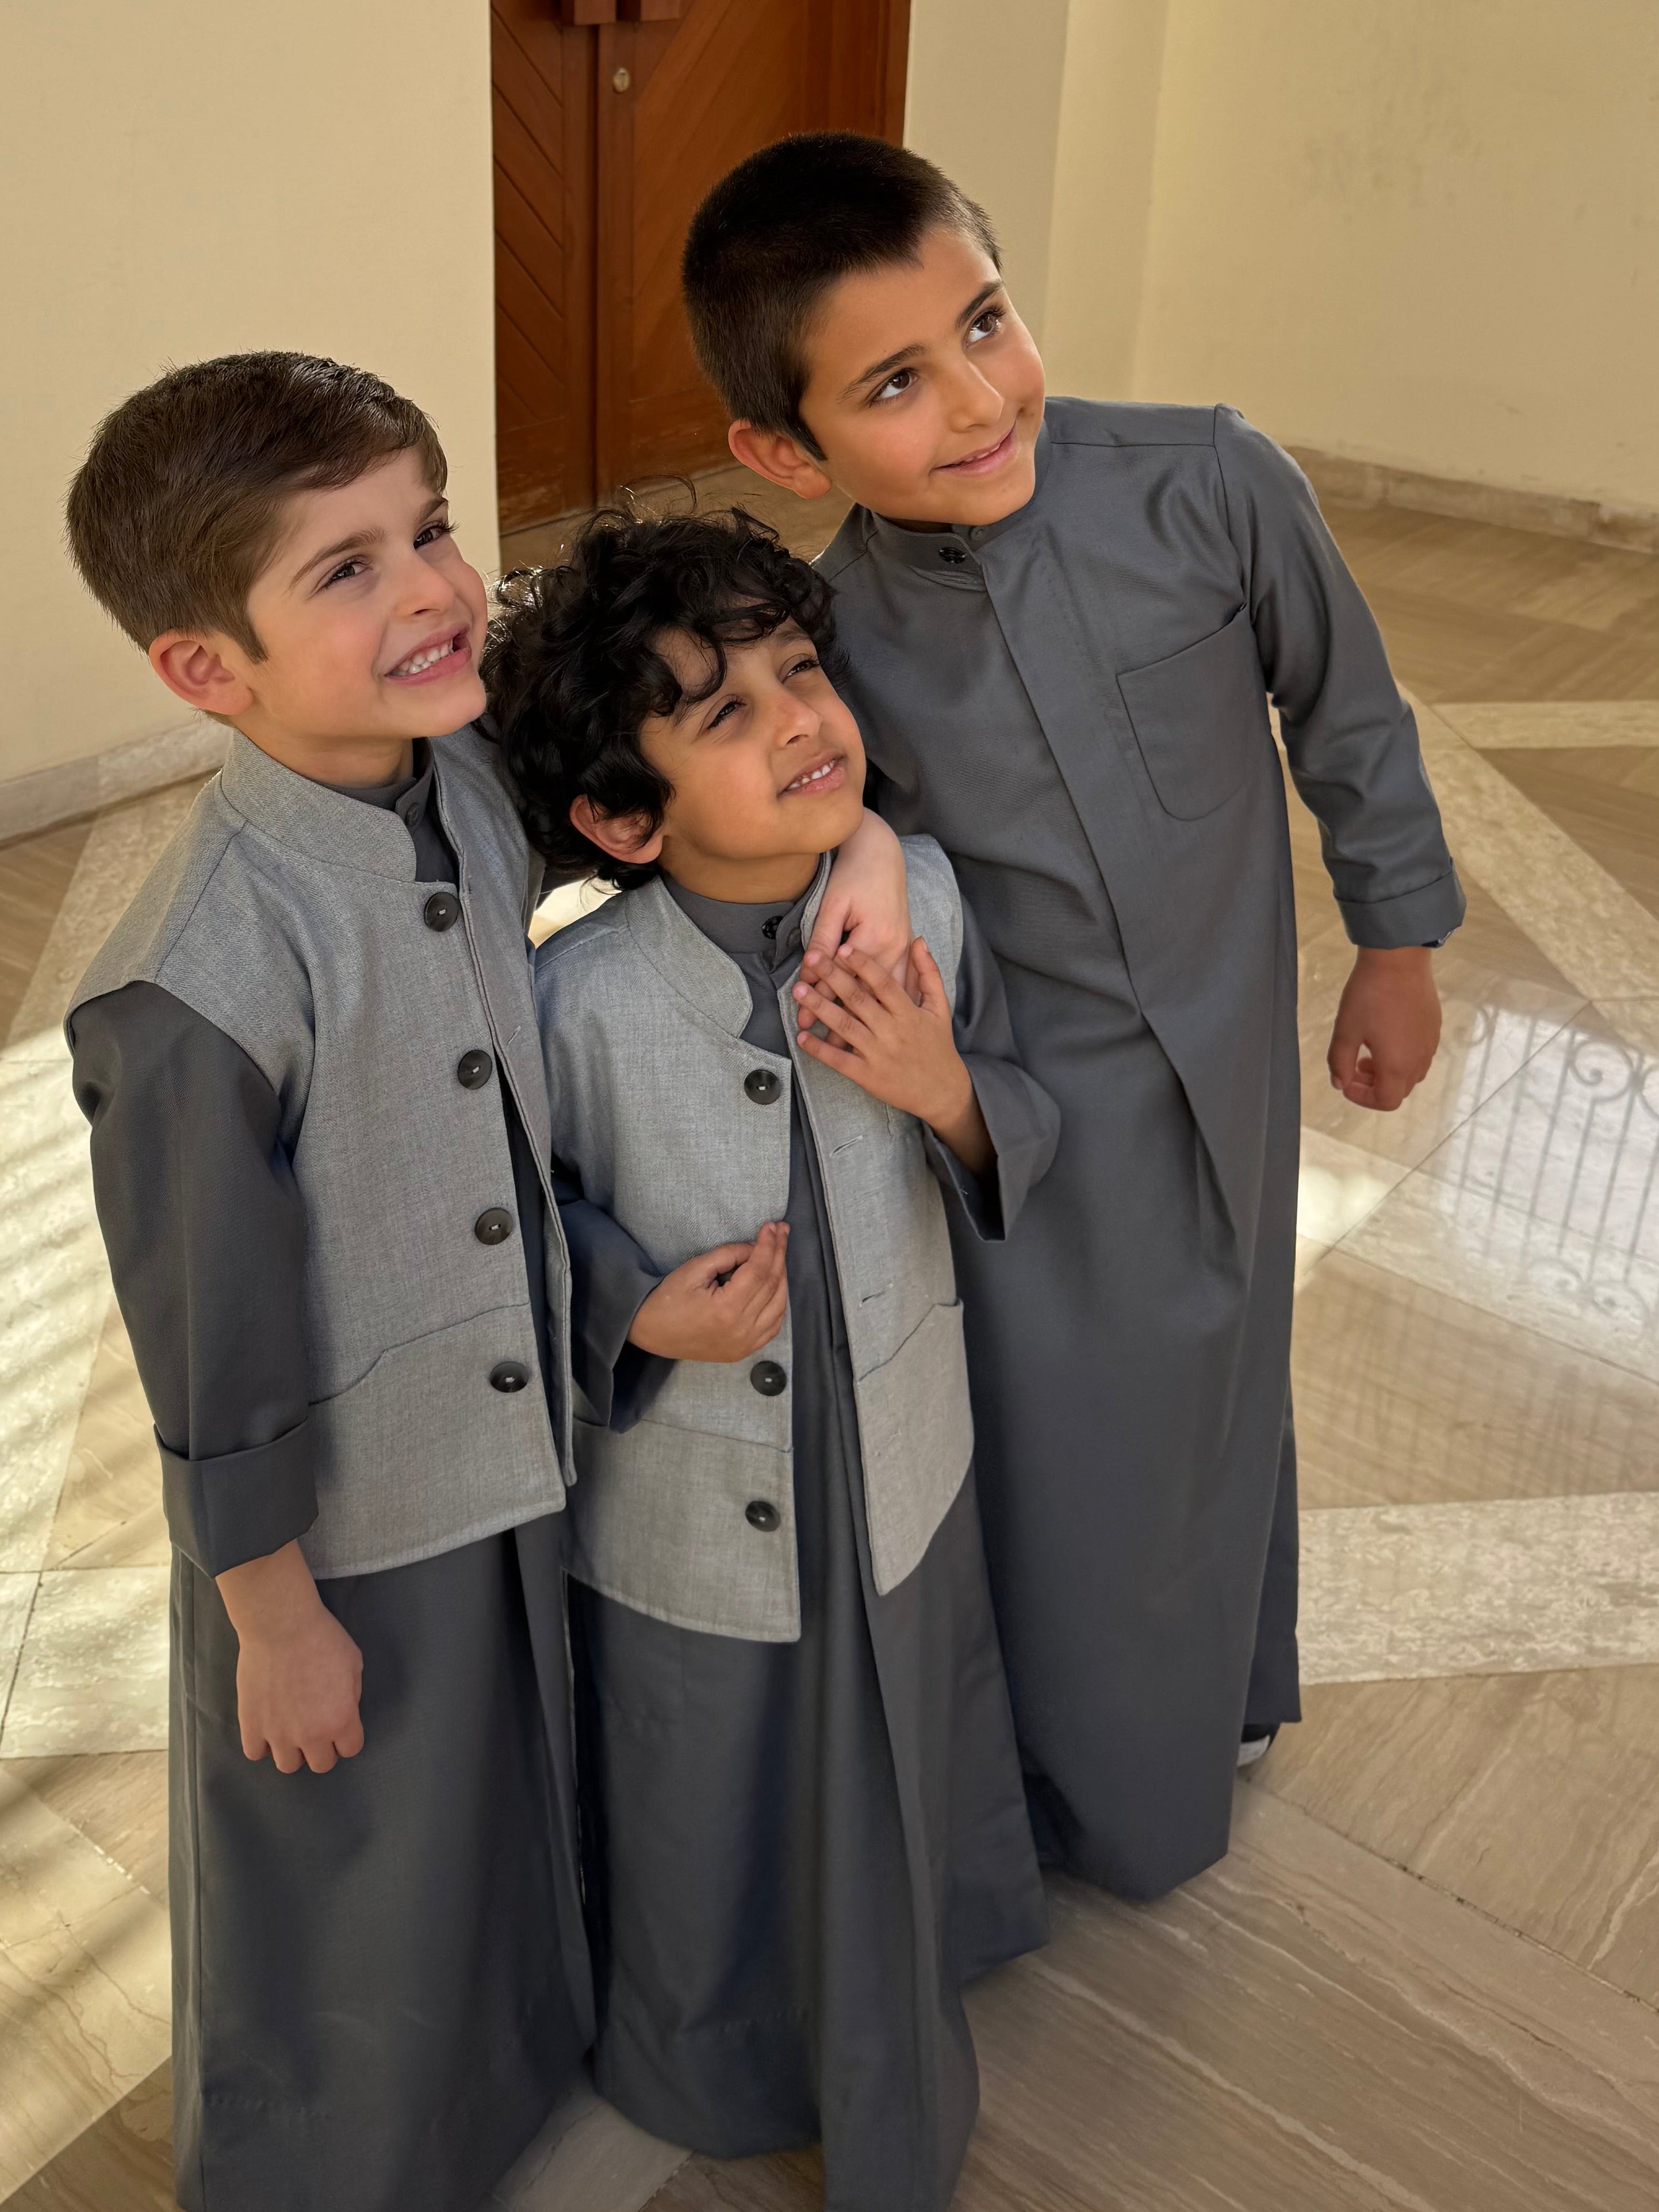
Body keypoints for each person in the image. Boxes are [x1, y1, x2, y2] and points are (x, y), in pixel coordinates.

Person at [58, 352, 909, 2212]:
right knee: (345, 1854)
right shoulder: (191, 989)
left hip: (511, 1445)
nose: (438, 590)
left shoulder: (455, 774)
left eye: (430, 528)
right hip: (345, 1525)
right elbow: (209, 1351)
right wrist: (272, 1614)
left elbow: (663, 798)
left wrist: (872, 844)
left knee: (484, 1807)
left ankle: (497, 2095)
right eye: (345, 569)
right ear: (206, 667)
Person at [682, 133, 1466, 1902]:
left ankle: (1226, 1688)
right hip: (1035, 1107)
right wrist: (866, 842)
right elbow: (818, 804)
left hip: (1231, 1058)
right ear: (786, 452)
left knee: (1224, 1377)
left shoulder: (1210, 482)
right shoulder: (836, 634)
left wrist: (1397, 943)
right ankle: (1111, 1792)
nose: (978, 399)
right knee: (1079, 1442)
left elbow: (1348, 714)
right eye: (895, 384)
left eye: (987, 321)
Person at [488, 507, 1058, 2212]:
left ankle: (918, 1971)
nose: (802, 719)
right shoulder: (575, 1000)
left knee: (894, 1726)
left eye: (803, 671)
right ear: (621, 819)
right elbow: (522, 1225)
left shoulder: (926, 902)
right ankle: (711, 2050)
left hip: (895, 1454)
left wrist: (943, 1091)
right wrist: (637, 1311)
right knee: (704, 1763)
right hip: (680, 1493)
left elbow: (1023, 1118)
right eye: (723, 712)